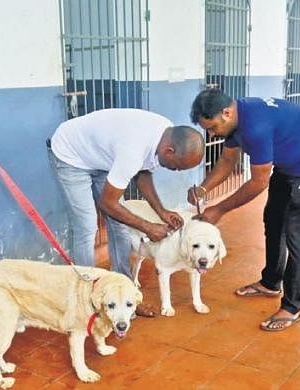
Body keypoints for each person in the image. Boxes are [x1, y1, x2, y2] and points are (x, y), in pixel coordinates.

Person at [188, 89, 300, 332]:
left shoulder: (255, 128)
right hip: (288, 163)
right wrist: (203, 189)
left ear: (226, 113)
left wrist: (219, 209)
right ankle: (270, 283)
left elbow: (258, 182)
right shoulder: (236, 121)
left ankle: (292, 307)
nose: (212, 134)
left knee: (297, 235)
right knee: (274, 220)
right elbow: (227, 161)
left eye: (213, 127)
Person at [47, 108, 205, 317]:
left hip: (104, 158)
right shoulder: (133, 149)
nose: (174, 170)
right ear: (169, 151)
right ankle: (86, 299)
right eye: (177, 167)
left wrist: (161, 211)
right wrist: (147, 227)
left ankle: (124, 295)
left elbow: (143, 172)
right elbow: (107, 203)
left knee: (120, 228)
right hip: (72, 156)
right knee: (86, 227)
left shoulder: (166, 132)